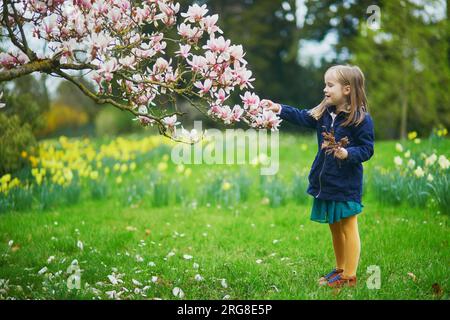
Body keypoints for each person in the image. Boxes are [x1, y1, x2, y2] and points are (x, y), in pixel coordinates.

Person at [262, 65, 375, 288]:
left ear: (346, 89)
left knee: (348, 226)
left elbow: (367, 149)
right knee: (334, 225)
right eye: (325, 84)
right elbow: (303, 116)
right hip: (326, 182)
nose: (325, 89)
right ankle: (340, 269)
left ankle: (349, 277)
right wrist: (278, 108)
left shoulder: (360, 119)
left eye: (329, 85)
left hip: (346, 183)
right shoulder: (325, 113)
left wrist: (347, 153)